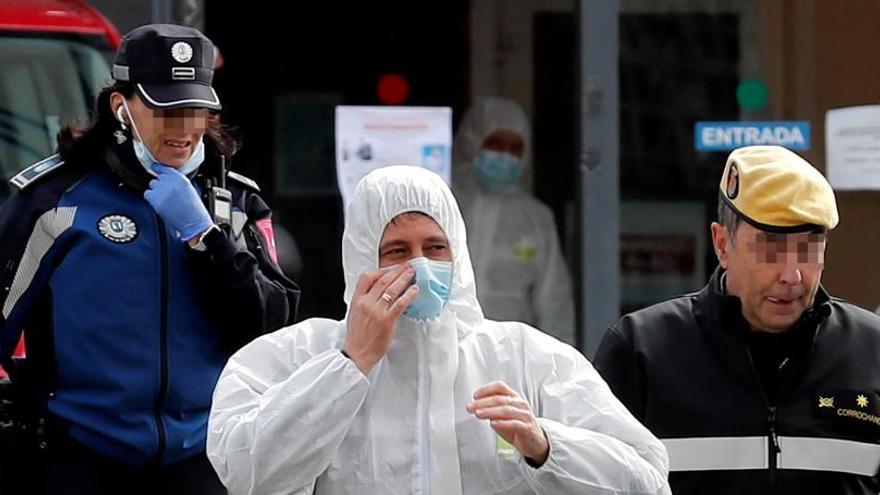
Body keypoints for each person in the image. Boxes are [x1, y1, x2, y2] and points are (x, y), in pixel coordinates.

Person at [206, 165, 670, 495]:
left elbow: (646, 479)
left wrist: (547, 446)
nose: (420, 266)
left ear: (459, 254)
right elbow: (249, 476)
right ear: (363, 259)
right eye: (396, 251)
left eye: (435, 247)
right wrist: (348, 366)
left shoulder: (525, 357)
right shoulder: (295, 356)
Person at [0, 24, 299, 494]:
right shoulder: (53, 199)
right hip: (81, 457)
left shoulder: (236, 203)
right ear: (122, 108)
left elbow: (270, 331)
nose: (184, 128)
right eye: (166, 109)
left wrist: (207, 237)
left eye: (195, 109)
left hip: (202, 459)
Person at [594, 145, 880, 494]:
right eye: (770, 249)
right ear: (722, 244)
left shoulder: (872, 350)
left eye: (808, 248)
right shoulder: (641, 351)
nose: (792, 275)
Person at [452, 97, 575, 345]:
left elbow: (554, 300)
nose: (505, 156)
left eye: (515, 148)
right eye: (495, 144)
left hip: (510, 356)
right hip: (445, 350)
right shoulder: (443, 205)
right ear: (471, 141)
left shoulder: (536, 218)